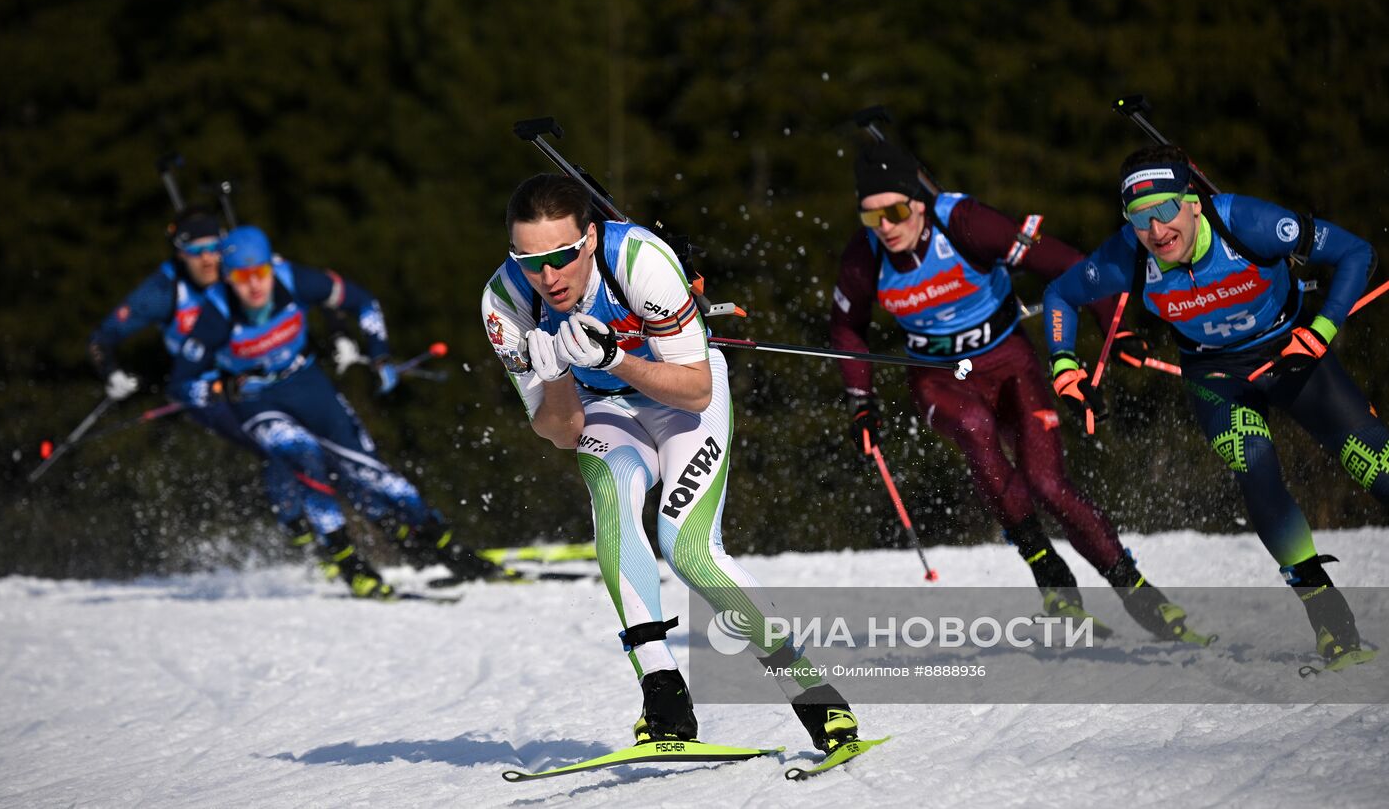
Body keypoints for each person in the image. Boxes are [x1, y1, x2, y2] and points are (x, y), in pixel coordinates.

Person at [480, 173, 861, 754]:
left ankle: (814, 692)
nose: (548, 277)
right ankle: (661, 691)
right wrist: (555, 374)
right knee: (613, 496)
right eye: (530, 261)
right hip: (601, 408)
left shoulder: (640, 260)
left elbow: (697, 391)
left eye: (560, 256)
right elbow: (560, 433)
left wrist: (616, 358)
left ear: (588, 238)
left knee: (687, 548)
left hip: (678, 396)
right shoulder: (505, 302)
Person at [831, 141, 1208, 643]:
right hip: (940, 377)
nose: (885, 226)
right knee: (974, 426)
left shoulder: (966, 223)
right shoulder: (865, 255)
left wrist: (1113, 331)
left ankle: (1137, 591)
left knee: (1048, 484)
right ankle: (1049, 574)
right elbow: (846, 328)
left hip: (1009, 361)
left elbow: (1072, 265)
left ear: (918, 202)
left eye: (896, 211)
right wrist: (861, 401)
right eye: (871, 215)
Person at [1044, 144, 1384, 670]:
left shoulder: (1246, 223)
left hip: (1292, 353)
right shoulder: (1128, 255)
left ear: (1193, 202)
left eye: (1165, 210)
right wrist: (1064, 367)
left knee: (1376, 467)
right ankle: (1332, 625)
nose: (1156, 231)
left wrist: (1319, 332)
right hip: (1216, 376)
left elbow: (1357, 253)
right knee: (1255, 465)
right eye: (1140, 217)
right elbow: (1062, 295)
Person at [170, 224, 505, 597]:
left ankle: (444, 546)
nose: (254, 286)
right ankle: (349, 564)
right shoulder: (216, 313)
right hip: (258, 403)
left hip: (307, 384)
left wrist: (378, 356)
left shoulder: (294, 279)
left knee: (374, 476)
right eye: (241, 277)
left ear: (270, 266)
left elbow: (363, 302)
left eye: (260, 272)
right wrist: (222, 387)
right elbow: (183, 384)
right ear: (227, 278)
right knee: (303, 455)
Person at [88, 208, 358, 572]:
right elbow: (103, 338)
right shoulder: (164, 290)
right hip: (211, 391)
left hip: (262, 376)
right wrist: (111, 372)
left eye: (213, 247)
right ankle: (311, 545)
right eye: (194, 251)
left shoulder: (249, 271)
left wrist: (340, 332)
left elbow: (319, 290)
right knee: (280, 446)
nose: (207, 259)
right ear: (179, 253)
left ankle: (335, 538)